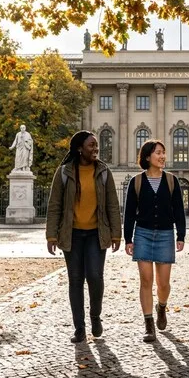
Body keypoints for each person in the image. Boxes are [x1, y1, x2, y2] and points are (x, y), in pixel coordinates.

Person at [46, 131, 122, 343]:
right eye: (91, 145)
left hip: (96, 234)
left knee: (95, 277)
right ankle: (79, 328)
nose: (96, 149)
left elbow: (112, 205)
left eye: (96, 145)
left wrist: (116, 234)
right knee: (75, 280)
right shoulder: (64, 172)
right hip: (72, 235)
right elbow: (54, 205)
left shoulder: (104, 172)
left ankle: (95, 316)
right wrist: (51, 235)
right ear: (80, 148)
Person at [123, 140, 187, 342]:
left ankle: (162, 306)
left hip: (165, 235)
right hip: (142, 234)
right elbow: (129, 213)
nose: (162, 156)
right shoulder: (136, 181)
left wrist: (181, 235)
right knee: (146, 280)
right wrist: (128, 238)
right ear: (147, 156)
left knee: (164, 283)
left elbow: (179, 210)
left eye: (163, 152)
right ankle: (149, 324)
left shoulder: (171, 180)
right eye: (158, 153)